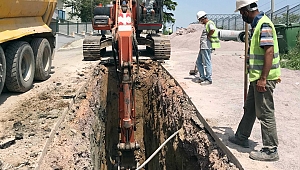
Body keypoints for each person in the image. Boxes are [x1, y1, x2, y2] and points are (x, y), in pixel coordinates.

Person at [228, 0, 281, 162]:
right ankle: (241, 136)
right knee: (250, 107)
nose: (242, 16)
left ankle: (271, 150)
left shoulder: (263, 25)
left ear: (246, 10)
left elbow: (269, 52)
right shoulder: (257, 25)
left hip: (263, 79)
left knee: (265, 112)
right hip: (256, 78)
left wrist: (263, 78)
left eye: (242, 13)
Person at [195, 11, 220, 85]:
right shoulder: (206, 24)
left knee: (206, 62)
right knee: (198, 62)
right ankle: (202, 77)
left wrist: (209, 35)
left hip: (206, 46)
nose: (200, 22)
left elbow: (212, 30)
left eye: (200, 20)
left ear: (202, 18)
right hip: (203, 46)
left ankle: (208, 79)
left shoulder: (210, 23)